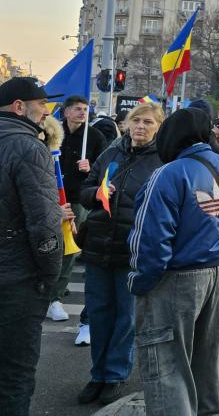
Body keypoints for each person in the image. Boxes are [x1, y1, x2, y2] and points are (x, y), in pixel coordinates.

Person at [128, 107, 219, 416]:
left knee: (167, 367)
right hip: (218, 270)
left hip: (177, 276)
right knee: (207, 363)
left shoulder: (168, 173)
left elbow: (151, 239)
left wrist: (139, 281)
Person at [76, 101, 164, 406]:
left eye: (148, 122)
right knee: (99, 314)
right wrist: (96, 193)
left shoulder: (163, 161)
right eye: (136, 121)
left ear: (158, 128)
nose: (140, 127)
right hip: (99, 245)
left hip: (133, 250)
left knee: (125, 317)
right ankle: (97, 374)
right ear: (126, 124)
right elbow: (85, 191)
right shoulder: (110, 153)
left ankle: (114, 375)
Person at [0, 77, 64, 416]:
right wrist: (50, 275)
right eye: (41, 104)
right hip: (16, 279)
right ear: (19, 107)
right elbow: (44, 226)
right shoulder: (28, 147)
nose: (46, 111)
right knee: (14, 374)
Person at [49, 95, 107, 323]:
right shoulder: (51, 133)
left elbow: (105, 171)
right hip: (49, 197)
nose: (83, 113)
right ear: (66, 112)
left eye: (85, 109)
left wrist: (90, 167)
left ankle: (55, 297)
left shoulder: (95, 136)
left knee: (69, 246)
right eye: (77, 109)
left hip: (77, 199)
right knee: (47, 243)